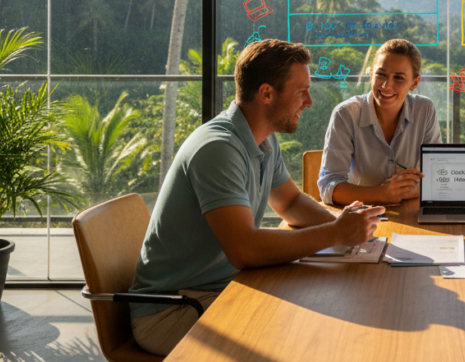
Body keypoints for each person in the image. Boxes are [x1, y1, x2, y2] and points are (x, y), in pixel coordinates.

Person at [129, 40, 384, 356]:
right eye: (301, 91)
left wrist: (346, 227)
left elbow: (289, 203)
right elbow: (245, 251)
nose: (310, 102)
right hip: (174, 308)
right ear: (267, 94)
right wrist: (335, 233)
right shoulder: (218, 149)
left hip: (220, 289)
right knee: (305, 339)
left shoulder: (263, 140)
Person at [319, 39, 442, 205]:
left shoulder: (424, 110)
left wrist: (406, 191)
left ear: (414, 83)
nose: (386, 85)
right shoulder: (346, 114)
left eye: (398, 78)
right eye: (380, 74)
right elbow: (328, 186)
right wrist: (384, 194)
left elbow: (438, 176)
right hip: (362, 215)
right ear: (371, 74)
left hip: (410, 212)